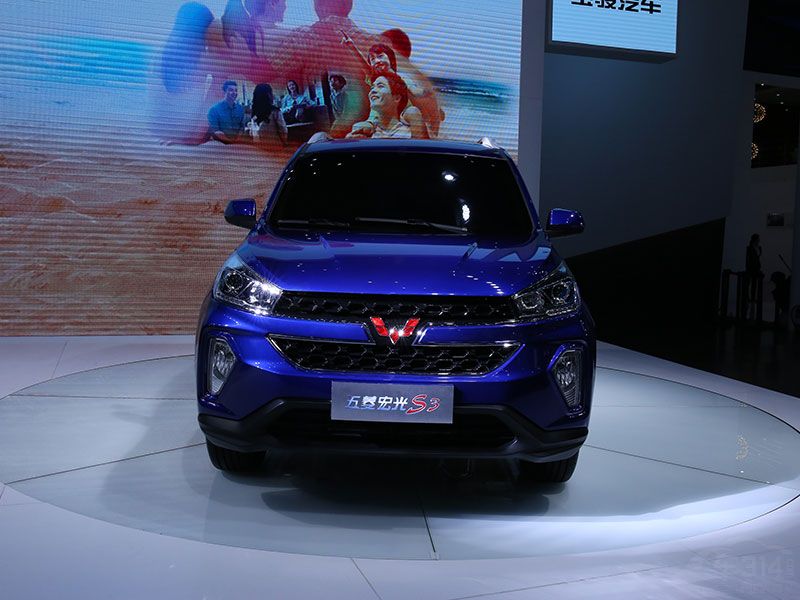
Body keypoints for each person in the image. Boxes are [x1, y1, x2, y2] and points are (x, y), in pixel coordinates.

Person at [347, 72, 410, 139]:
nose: (373, 91)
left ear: (397, 98)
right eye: (372, 87)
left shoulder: (409, 134)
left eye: (380, 86)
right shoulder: (363, 131)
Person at [250, 83, 287, 147]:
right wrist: (284, 143)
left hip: (259, 148)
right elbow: (283, 130)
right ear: (268, 95)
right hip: (275, 147)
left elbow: (253, 134)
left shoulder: (254, 112)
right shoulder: (275, 111)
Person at [745, 233, 763, 318]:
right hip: (750, 269)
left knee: (754, 285)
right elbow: (748, 260)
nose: (759, 240)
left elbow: (757, 258)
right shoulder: (749, 248)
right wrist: (748, 268)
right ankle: (747, 298)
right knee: (748, 283)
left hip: (756, 269)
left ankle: (752, 299)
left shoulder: (759, 248)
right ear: (755, 239)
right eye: (758, 239)